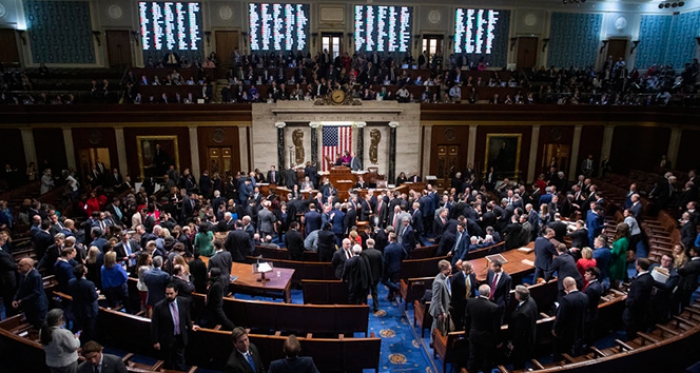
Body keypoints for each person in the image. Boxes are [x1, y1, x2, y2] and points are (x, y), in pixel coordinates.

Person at [151, 283, 196, 370]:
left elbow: (186, 315)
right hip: (167, 339)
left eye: (171, 293)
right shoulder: (159, 307)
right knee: (168, 362)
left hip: (180, 337)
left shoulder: (183, 301)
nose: (169, 296)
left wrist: (190, 326)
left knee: (180, 361)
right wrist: (155, 341)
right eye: (167, 294)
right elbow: (154, 325)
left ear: (176, 292)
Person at [464, 284, 500, 373]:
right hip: (487, 338)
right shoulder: (494, 307)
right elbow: (496, 327)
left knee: (473, 356)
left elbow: (467, 320)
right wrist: (498, 341)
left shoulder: (470, 302)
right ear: (489, 293)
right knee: (487, 359)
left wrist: (467, 334)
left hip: (474, 335)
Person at [552, 277, 588, 358]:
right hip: (580, 328)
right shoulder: (584, 296)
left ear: (566, 286)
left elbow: (561, 317)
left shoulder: (566, 299)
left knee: (562, 352)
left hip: (566, 332)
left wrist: (556, 330)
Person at [40, 308, 80, 373]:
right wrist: (76, 338)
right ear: (58, 320)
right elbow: (74, 347)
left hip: (52, 363)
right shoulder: (63, 333)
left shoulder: (42, 331)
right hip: (67, 364)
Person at [508, 285, 538, 370]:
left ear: (518, 296)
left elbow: (519, 332)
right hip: (531, 334)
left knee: (518, 359)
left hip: (522, 343)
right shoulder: (531, 300)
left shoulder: (522, 313)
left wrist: (513, 343)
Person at [623, 258, 654, 340]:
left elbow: (637, 299)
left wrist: (628, 302)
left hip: (634, 311)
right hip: (643, 309)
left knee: (631, 329)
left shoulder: (639, 281)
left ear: (638, 266)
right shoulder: (650, 277)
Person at [13, 257, 49, 329]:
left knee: (41, 327)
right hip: (28, 306)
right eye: (18, 265)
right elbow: (20, 288)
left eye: (21, 265)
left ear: (29, 266)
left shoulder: (36, 276)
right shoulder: (22, 274)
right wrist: (15, 299)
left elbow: (36, 293)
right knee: (31, 325)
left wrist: (22, 301)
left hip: (38, 306)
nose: (18, 267)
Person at [67, 265, 99, 344]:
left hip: (77, 308)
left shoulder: (71, 282)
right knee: (89, 329)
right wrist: (97, 293)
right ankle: (88, 343)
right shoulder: (89, 284)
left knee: (80, 327)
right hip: (89, 310)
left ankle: (79, 340)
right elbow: (93, 297)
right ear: (84, 273)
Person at [429, 260, 452, 344]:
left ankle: (436, 343)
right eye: (449, 267)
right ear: (444, 269)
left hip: (443, 307)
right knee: (436, 328)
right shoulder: (438, 282)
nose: (451, 269)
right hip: (438, 310)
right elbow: (437, 299)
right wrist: (441, 312)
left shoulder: (445, 278)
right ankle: (433, 343)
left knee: (440, 328)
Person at [450, 260, 477, 331]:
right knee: (458, 319)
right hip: (459, 303)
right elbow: (452, 292)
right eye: (471, 269)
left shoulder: (473, 275)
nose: (472, 271)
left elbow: (473, 289)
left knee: (468, 318)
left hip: (469, 302)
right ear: (465, 269)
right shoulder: (456, 278)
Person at [361, 238, 384, 313]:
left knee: (365, 292)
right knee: (374, 292)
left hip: (366, 276)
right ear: (374, 244)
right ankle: (376, 307)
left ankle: (365, 306)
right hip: (375, 276)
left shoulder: (363, 253)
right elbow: (382, 265)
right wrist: (381, 275)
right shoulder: (379, 253)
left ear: (367, 244)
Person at [583, 267, 603, 346]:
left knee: (587, 333)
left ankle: (587, 348)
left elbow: (587, 303)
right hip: (593, 312)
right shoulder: (597, 284)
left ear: (593, 276)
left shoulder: (592, 289)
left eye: (587, 274)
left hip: (588, 315)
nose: (585, 275)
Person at [609, 222, 630, 289]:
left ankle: (613, 289)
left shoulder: (621, 241)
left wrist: (608, 250)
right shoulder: (625, 238)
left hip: (617, 261)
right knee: (616, 276)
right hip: (621, 259)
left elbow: (615, 253)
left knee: (614, 276)